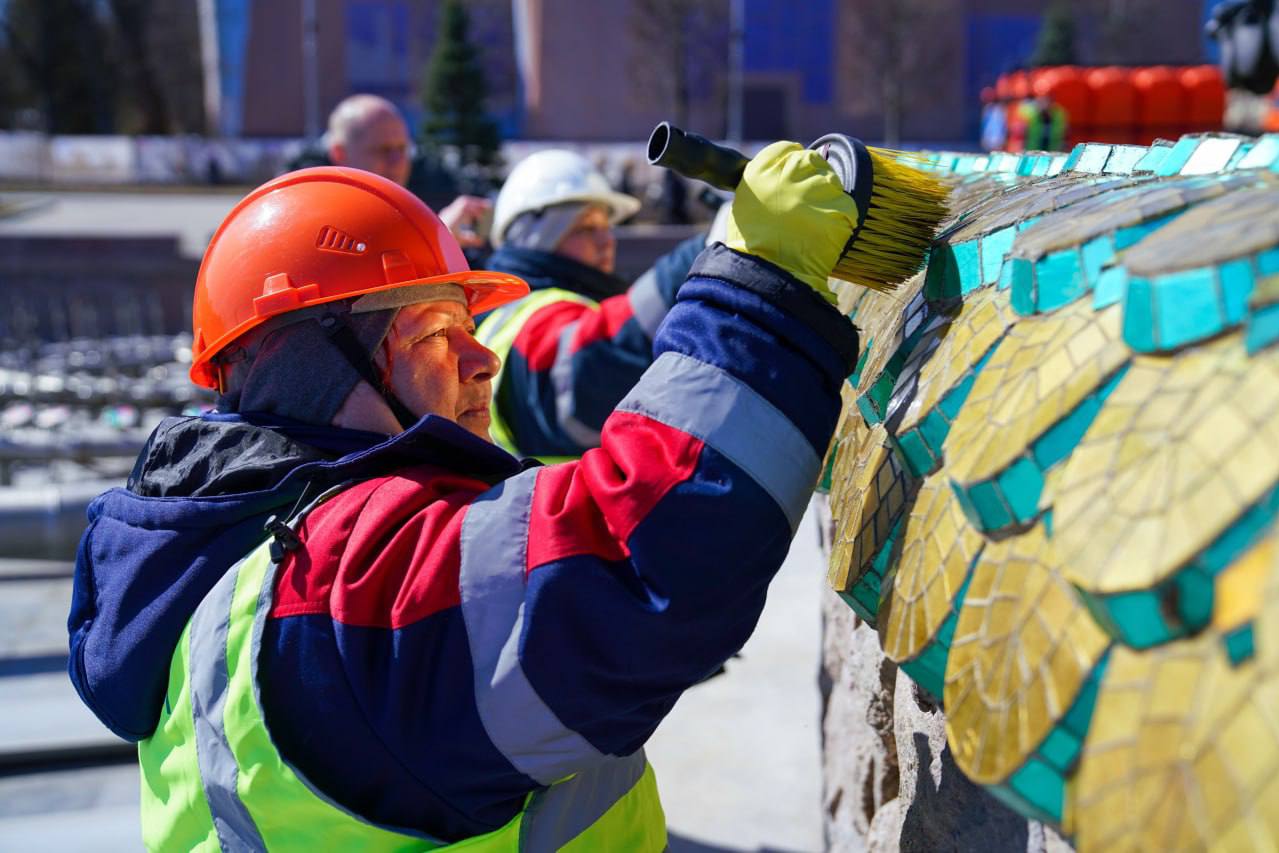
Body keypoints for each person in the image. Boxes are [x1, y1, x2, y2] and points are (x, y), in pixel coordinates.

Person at [66, 148, 860, 849]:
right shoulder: (338, 577)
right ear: (319, 368)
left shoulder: (216, 547)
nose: (483, 360)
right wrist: (761, 289)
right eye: (435, 331)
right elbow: (635, 561)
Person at [477, 149, 707, 460]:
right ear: (538, 238)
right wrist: (703, 254)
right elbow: (595, 365)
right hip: (562, 508)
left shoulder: (496, 313)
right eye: (586, 227)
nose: (606, 240)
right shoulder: (539, 318)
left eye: (606, 226)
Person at [327, 93, 490, 248]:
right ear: (340, 154)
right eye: (383, 150)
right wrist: (439, 239)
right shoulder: (322, 225)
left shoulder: (410, 212)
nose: (398, 161)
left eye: (402, 148)